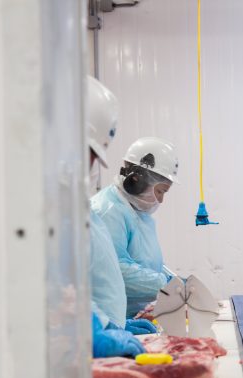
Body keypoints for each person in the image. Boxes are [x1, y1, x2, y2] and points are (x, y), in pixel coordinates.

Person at [87, 77, 157, 338]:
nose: (91, 167)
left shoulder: (81, 210)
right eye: (89, 155)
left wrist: (109, 323)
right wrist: (98, 330)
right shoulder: (107, 210)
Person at [91, 137, 179, 318]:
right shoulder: (108, 212)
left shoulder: (137, 212)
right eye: (160, 191)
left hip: (132, 316)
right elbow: (116, 271)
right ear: (136, 180)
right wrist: (166, 284)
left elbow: (146, 263)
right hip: (110, 319)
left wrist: (175, 280)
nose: (161, 200)